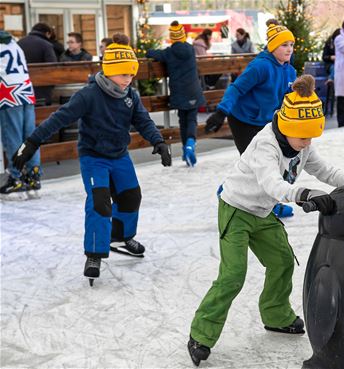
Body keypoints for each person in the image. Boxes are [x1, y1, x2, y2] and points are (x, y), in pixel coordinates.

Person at [187, 75, 344, 366]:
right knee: (233, 276)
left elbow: (324, 171)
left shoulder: (303, 143)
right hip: (236, 210)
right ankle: (200, 334)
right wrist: (303, 194)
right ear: (287, 126)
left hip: (262, 214)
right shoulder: (265, 144)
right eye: (303, 137)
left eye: (310, 137)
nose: (307, 143)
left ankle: (275, 315)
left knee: (282, 261)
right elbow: (272, 184)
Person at [11, 33, 172, 284]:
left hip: (119, 155)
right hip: (94, 157)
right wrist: (32, 142)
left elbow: (142, 120)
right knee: (100, 202)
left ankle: (121, 236)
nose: (128, 80)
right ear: (108, 72)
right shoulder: (89, 95)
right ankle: (95, 254)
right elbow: (59, 118)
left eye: (131, 75)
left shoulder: (131, 95)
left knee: (131, 196)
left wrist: (158, 141)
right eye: (123, 75)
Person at [205, 23, 297, 217]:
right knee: (256, 163)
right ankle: (229, 192)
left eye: (291, 44)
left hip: (266, 122)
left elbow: (288, 99)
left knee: (273, 162)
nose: (289, 49)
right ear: (272, 47)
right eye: (284, 45)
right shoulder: (260, 66)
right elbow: (236, 88)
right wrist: (221, 112)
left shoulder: (290, 71)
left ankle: (267, 202)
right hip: (243, 120)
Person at [147, 21, 204, 167]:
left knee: (182, 122)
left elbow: (153, 54)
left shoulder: (169, 52)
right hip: (193, 90)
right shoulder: (190, 50)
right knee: (191, 120)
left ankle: (186, 150)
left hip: (179, 93)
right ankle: (190, 145)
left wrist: (148, 51)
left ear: (172, 37)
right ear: (183, 35)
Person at [0, 30, 41, 199]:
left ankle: (16, 178)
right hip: (26, 92)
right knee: (29, 137)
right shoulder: (15, 44)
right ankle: (33, 176)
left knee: (13, 137)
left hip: (9, 94)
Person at [17, 23, 58, 105]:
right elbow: (53, 68)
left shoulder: (18, 43)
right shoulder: (46, 45)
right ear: (47, 33)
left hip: (21, 89)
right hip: (42, 91)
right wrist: (51, 86)